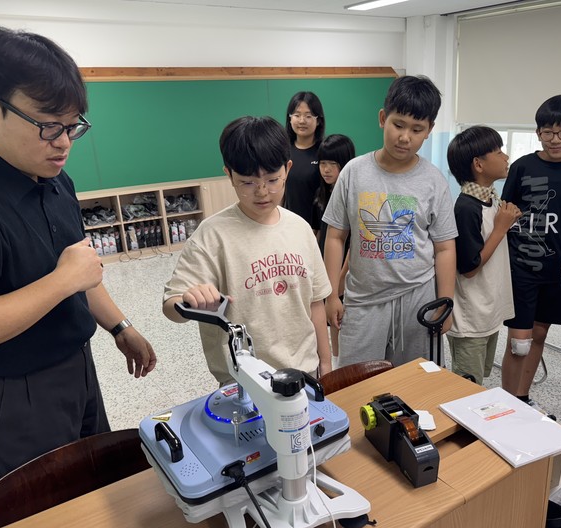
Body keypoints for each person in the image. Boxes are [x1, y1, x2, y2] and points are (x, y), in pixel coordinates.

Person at [0, 26, 156, 500]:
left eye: (73, 126)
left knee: (99, 489)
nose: (64, 143)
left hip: (76, 366)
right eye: (48, 126)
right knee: (44, 514)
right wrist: (61, 281)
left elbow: (81, 269)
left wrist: (120, 326)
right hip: (9, 391)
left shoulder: (55, 178)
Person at [162, 116, 332, 385]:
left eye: (273, 180)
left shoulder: (300, 228)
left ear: (287, 169)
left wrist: (326, 362)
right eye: (248, 183)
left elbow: (316, 303)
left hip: (304, 374)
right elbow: (171, 306)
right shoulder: (212, 235)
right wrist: (189, 299)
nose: (263, 192)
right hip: (243, 382)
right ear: (229, 175)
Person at [322, 75, 457, 368]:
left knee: (417, 380)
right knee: (357, 381)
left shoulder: (434, 181)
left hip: (418, 299)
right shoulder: (353, 172)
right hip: (363, 300)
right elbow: (335, 236)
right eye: (399, 124)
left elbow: (445, 247)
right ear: (383, 118)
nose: (405, 137)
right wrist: (331, 295)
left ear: (429, 130)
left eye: (417, 129)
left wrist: (446, 302)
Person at [500, 95, 561, 403]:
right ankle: (506, 401)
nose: (555, 139)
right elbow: (506, 213)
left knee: (539, 333)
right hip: (522, 265)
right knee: (519, 343)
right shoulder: (523, 166)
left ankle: (522, 397)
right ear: (538, 132)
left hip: (559, 265)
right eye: (548, 132)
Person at [446, 126, 522, 384]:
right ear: (479, 164)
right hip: (471, 318)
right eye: (498, 152)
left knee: (479, 379)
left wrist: (505, 221)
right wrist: (500, 229)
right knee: (466, 385)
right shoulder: (466, 207)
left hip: (488, 309)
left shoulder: (490, 199)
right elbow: (470, 267)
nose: (506, 157)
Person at [310, 134, 355, 369]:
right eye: (322, 163)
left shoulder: (350, 193)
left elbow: (352, 244)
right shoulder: (324, 193)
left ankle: (340, 363)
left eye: (332, 164)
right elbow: (321, 234)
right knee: (331, 318)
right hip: (326, 269)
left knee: (340, 319)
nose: (326, 169)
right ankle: (335, 362)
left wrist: (339, 278)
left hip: (342, 273)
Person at [283, 91, 325, 226]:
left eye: (308, 116)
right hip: (290, 225)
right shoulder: (283, 151)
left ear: (318, 120)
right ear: (290, 118)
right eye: (297, 115)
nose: (302, 121)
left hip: (318, 228)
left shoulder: (325, 152)